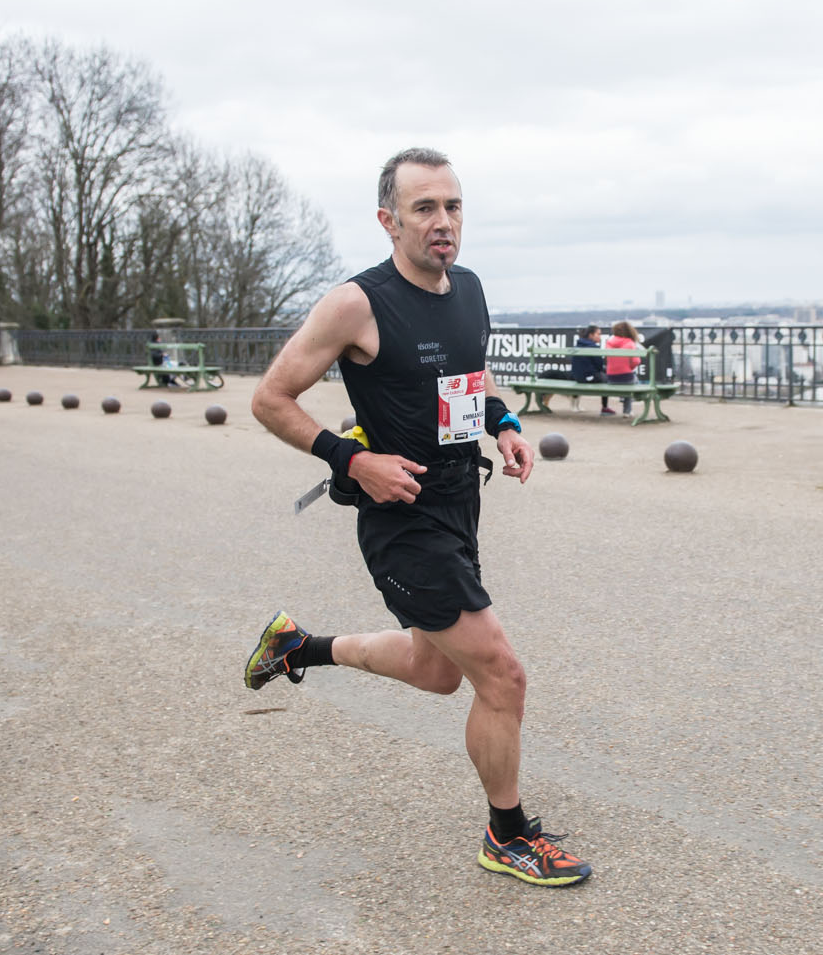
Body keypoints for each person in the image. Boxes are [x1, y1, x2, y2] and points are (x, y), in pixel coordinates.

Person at [244, 148, 592, 887]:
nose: (442, 223)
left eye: (453, 206)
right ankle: (508, 832)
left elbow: (470, 369)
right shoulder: (356, 305)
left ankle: (298, 646)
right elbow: (270, 398)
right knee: (502, 674)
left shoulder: (467, 289)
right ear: (388, 220)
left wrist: (501, 420)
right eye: (424, 208)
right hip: (398, 515)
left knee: (437, 672)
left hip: (459, 500)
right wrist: (351, 459)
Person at [600, 320, 642, 416]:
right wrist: (629, 368)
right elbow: (636, 361)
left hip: (611, 378)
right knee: (633, 381)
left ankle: (623, 398)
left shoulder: (609, 343)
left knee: (629, 384)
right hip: (626, 378)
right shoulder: (630, 343)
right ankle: (627, 411)